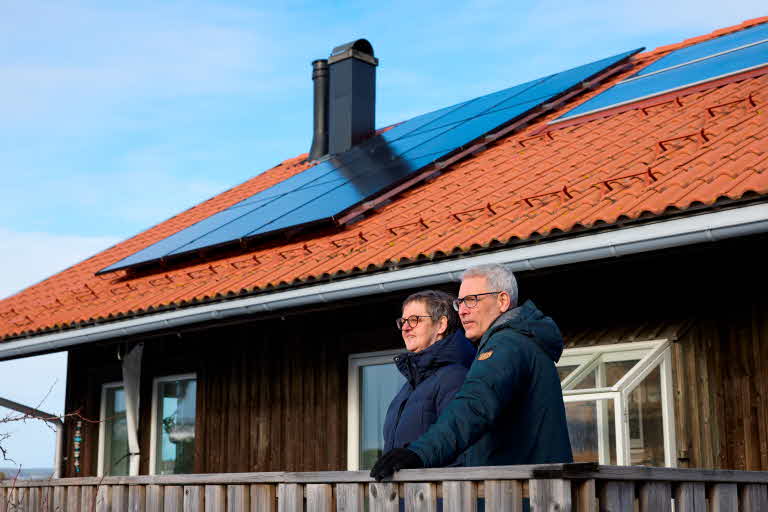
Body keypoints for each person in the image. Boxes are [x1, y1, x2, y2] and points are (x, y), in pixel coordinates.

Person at [371, 264, 572, 480]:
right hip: (530, 487)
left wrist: (417, 453)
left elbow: (474, 407)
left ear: (502, 301)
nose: (463, 310)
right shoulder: (518, 342)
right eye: (460, 303)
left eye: (472, 300)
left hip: (526, 492)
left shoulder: (507, 344)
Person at [383, 290, 476, 465]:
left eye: (414, 320)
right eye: (403, 321)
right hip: (402, 492)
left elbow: (461, 450)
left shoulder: (455, 377)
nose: (405, 327)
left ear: (441, 325)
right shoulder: (410, 385)